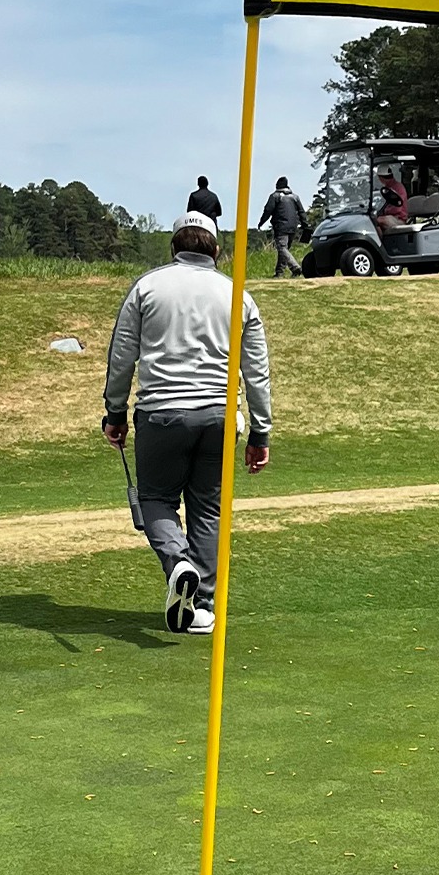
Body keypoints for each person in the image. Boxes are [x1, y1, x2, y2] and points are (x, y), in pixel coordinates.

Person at [101, 211, 273, 635]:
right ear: (217, 250)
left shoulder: (147, 287)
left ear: (173, 245)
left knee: (156, 499)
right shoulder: (237, 295)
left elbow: (122, 356)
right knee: (208, 509)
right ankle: (203, 608)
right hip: (220, 416)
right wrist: (261, 431)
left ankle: (178, 563)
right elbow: (256, 371)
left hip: (161, 413)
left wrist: (115, 412)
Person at [258, 176, 305, 278]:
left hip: (281, 226)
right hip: (293, 226)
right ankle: (279, 273)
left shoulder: (275, 196)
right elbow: (301, 211)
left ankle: (295, 267)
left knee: (282, 248)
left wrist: (261, 222)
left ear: (278, 185)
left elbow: (268, 210)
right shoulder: (295, 197)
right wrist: (305, 225)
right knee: (284, 250)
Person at [375, 166, 408, 230]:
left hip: (398, 219)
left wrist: (385, 211)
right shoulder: (386, 188)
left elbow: (397, 209)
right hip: (390, 217)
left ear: (381, 178)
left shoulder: (398, 188)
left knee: (379, 220)